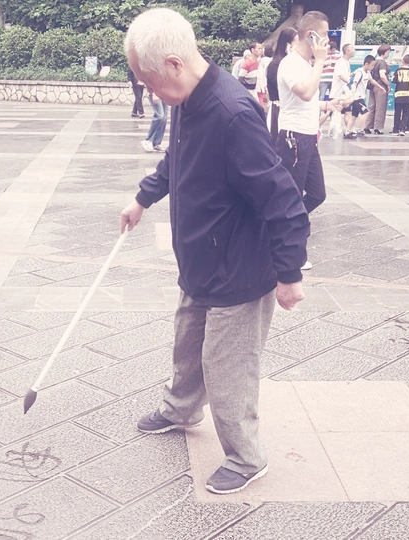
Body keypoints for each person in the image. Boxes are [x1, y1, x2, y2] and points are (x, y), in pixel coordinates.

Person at [121, 8, 310, 495]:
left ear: (174, 64)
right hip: (202, 261)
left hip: (238, 271)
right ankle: (180, 408)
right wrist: (143, 197)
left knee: (229, 368)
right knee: (188, 345)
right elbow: (177, 159)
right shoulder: (187, 99)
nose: (151, 92)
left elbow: (282, 198)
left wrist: (289, 273)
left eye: (150, 82)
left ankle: (247, 457)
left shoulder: (232, 113)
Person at [275, 10, 341, 271]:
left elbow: (308, 99)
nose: (327, 41)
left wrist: (328, 104)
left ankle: (279, 228)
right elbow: (304, 92)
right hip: (293, 139)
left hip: (307, 138)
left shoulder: (305, 64)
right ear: (310, 35)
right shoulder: (290, 63)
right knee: (292, 199)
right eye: (323, 35)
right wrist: (321, 62)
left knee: (316, 194)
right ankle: (290, 253)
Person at [266, 27, 298, 144]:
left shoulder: (294, 63)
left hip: (292, 109)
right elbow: (284, 89)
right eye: (296, 42)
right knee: (278, 142)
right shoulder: (275, 65)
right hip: (279, 109)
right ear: (288, 45)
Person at [344, 54, 386, 139]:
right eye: (372, 65)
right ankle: (360, 131)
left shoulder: (367, 72)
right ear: (366, 64)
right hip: (357, 98)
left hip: (359, 97)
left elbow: (371, 80)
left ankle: (347, 132)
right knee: (365, 113)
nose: (373, 67)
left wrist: (380, 87)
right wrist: (352, 94)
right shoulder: (360, 72)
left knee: (354, 116)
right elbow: (355, 83)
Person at [364, 44, 391, 135]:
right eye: (388, 52)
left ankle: (367, 126)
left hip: (373, 86)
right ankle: (378, 128)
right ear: (384, 52)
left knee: (372, 107)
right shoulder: (382, 63)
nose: (388, 54)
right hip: (381, 86)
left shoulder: (375, 62)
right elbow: (382, 75)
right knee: (380, 107)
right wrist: (388, 84)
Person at [330, 43, 355, 138]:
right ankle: (318, 127)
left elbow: (345, 75)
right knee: (329, 112)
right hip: (336, 94)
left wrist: (352, 75)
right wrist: (350, 83)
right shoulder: (340, 62)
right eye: (352, 48)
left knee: (348, 112)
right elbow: (340, 75)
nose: (354, 50)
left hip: (344, 94)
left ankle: (348, 131)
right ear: (347, 51)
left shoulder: (346, 62)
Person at [391, 54, 409, 136]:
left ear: (402, 61)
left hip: (398, 94)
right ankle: (402, 129)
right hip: (408, 94)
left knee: (397, 112)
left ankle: (395, 129)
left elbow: (393, 80)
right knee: (406, 113)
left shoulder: (398, 70)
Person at [257, 45, 273, 113]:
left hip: (264, 81)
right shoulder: (272, 59)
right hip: (270, 81)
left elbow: (261, 72)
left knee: (265, 100)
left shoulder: (263, 60)